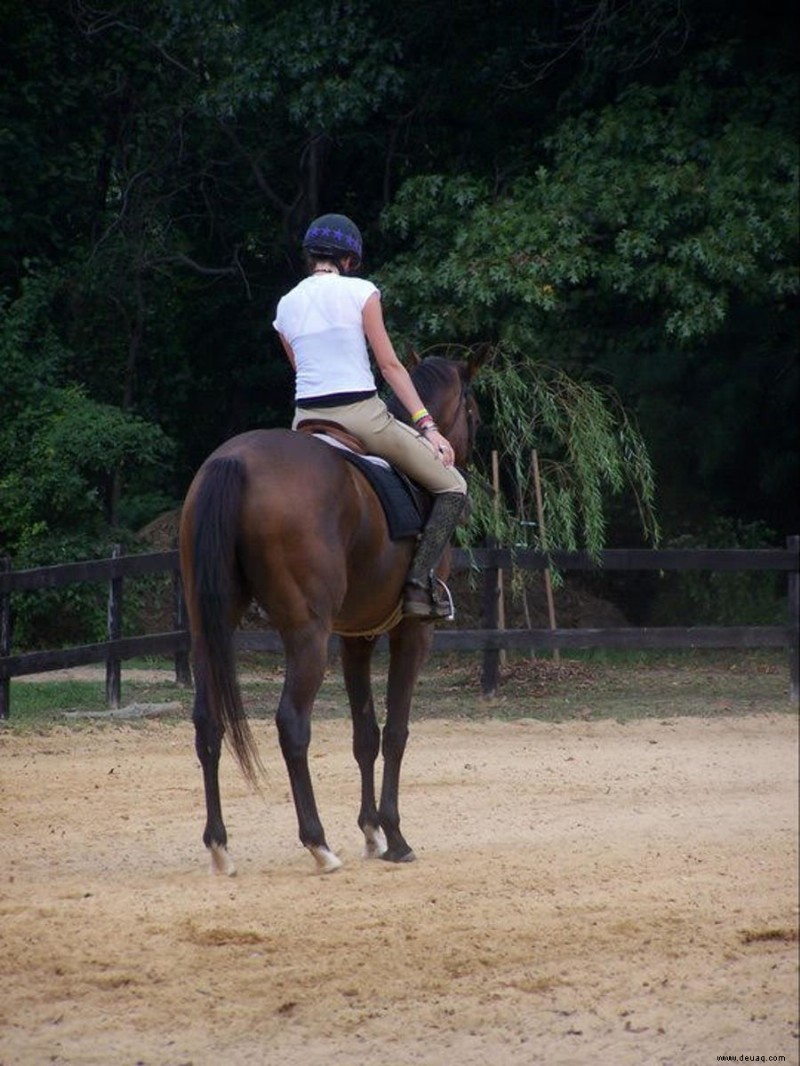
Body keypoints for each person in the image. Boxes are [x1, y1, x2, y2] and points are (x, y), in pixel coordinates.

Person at [273, 212, 467, 620]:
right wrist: (428, 426)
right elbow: (391, 366)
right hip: (361, 416)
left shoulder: (285, 305)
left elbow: (300, 369)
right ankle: (419, 585)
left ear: (312, 257)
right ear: (349, 260)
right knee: (452, 487)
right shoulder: (362, 292)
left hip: (304, 420)